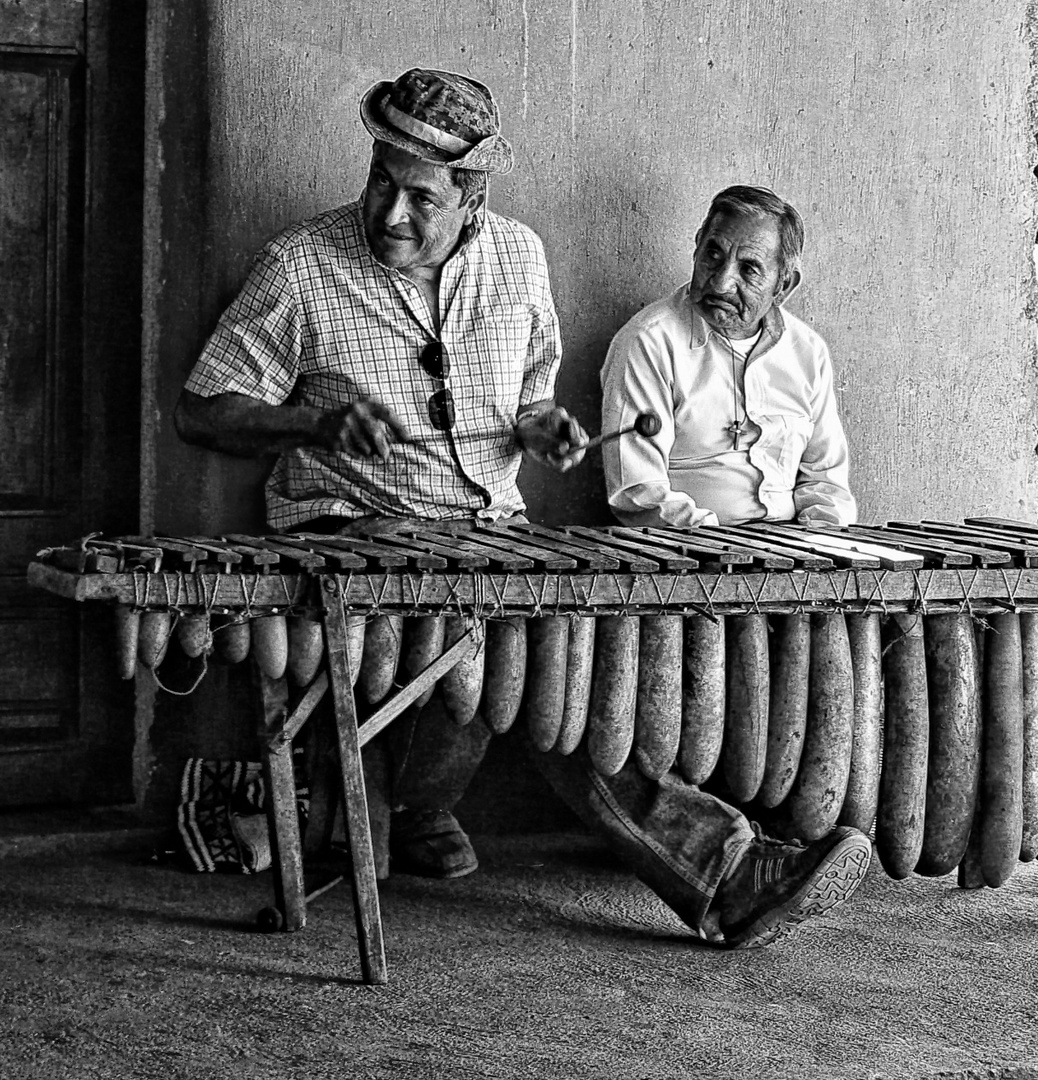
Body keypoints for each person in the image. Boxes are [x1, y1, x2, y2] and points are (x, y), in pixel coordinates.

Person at [174, 68, 870, 950]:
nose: (390, 213)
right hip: (354, 536)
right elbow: (202, 406)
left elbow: (530, 403)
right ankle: (726, 872)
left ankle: (409, 807)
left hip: (491, 539)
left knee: (560, 669)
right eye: (380, 182)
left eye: (420, 197)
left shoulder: (519, 258)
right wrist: (309, 421)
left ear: (473, 196)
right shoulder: (302, 265)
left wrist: (545, 432)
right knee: (499, 651)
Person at [600, 184, 856, 528]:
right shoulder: (649, 341)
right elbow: (638, 493)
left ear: (784, 285)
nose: (720, 283)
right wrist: (724, 549)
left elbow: (826, 483)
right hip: (691, 552)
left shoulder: (808, 352)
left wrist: (820, 550)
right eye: (713, 256)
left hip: (791, 552)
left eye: (748, 269)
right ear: (696, 249)